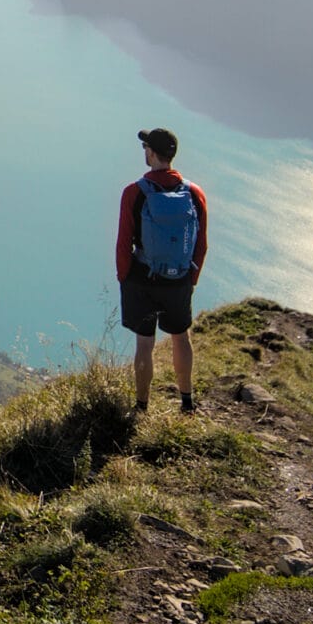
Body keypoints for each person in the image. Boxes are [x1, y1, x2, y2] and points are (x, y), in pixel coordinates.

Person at [115, 126, 209, 414]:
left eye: (146, 148)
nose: (144, 151)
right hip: (178, 279)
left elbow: (123, 243)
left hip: (142, 280)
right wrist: (189, 279)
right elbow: (201, 244)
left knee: (145, 344)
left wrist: (125, 278)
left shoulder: (134, 192)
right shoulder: (194, 193)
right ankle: (187, 402)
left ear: (152, 153)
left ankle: (142, 407)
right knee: (181, 337)